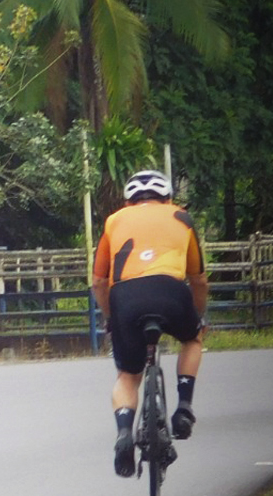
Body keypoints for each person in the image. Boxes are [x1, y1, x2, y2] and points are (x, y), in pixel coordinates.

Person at [92, 170, 209, 478]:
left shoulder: (114, 221)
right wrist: (197, 318)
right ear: (167, 198)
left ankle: (123, 431)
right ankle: (184, 407)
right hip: (171, 291)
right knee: (192, 339)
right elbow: (198, 279)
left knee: (128, 376)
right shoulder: (182, 217)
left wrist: (111, 318)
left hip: (126, 297)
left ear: (127, 202)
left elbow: (99, 281)